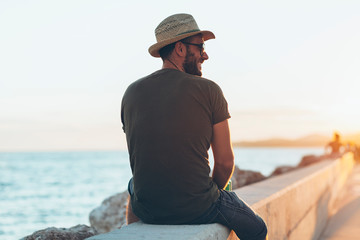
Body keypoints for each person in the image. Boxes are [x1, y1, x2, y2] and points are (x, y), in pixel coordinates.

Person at [121, 13, 267, 240]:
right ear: (180, 48)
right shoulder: (209, 90)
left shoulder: (130, 93)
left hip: (149, 209)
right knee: (258, 229)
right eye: (200, 47)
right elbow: (226, 162)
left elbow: (142, 157)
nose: (205, 55)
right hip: (197, 207)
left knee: (133, 185)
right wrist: (209, 195)